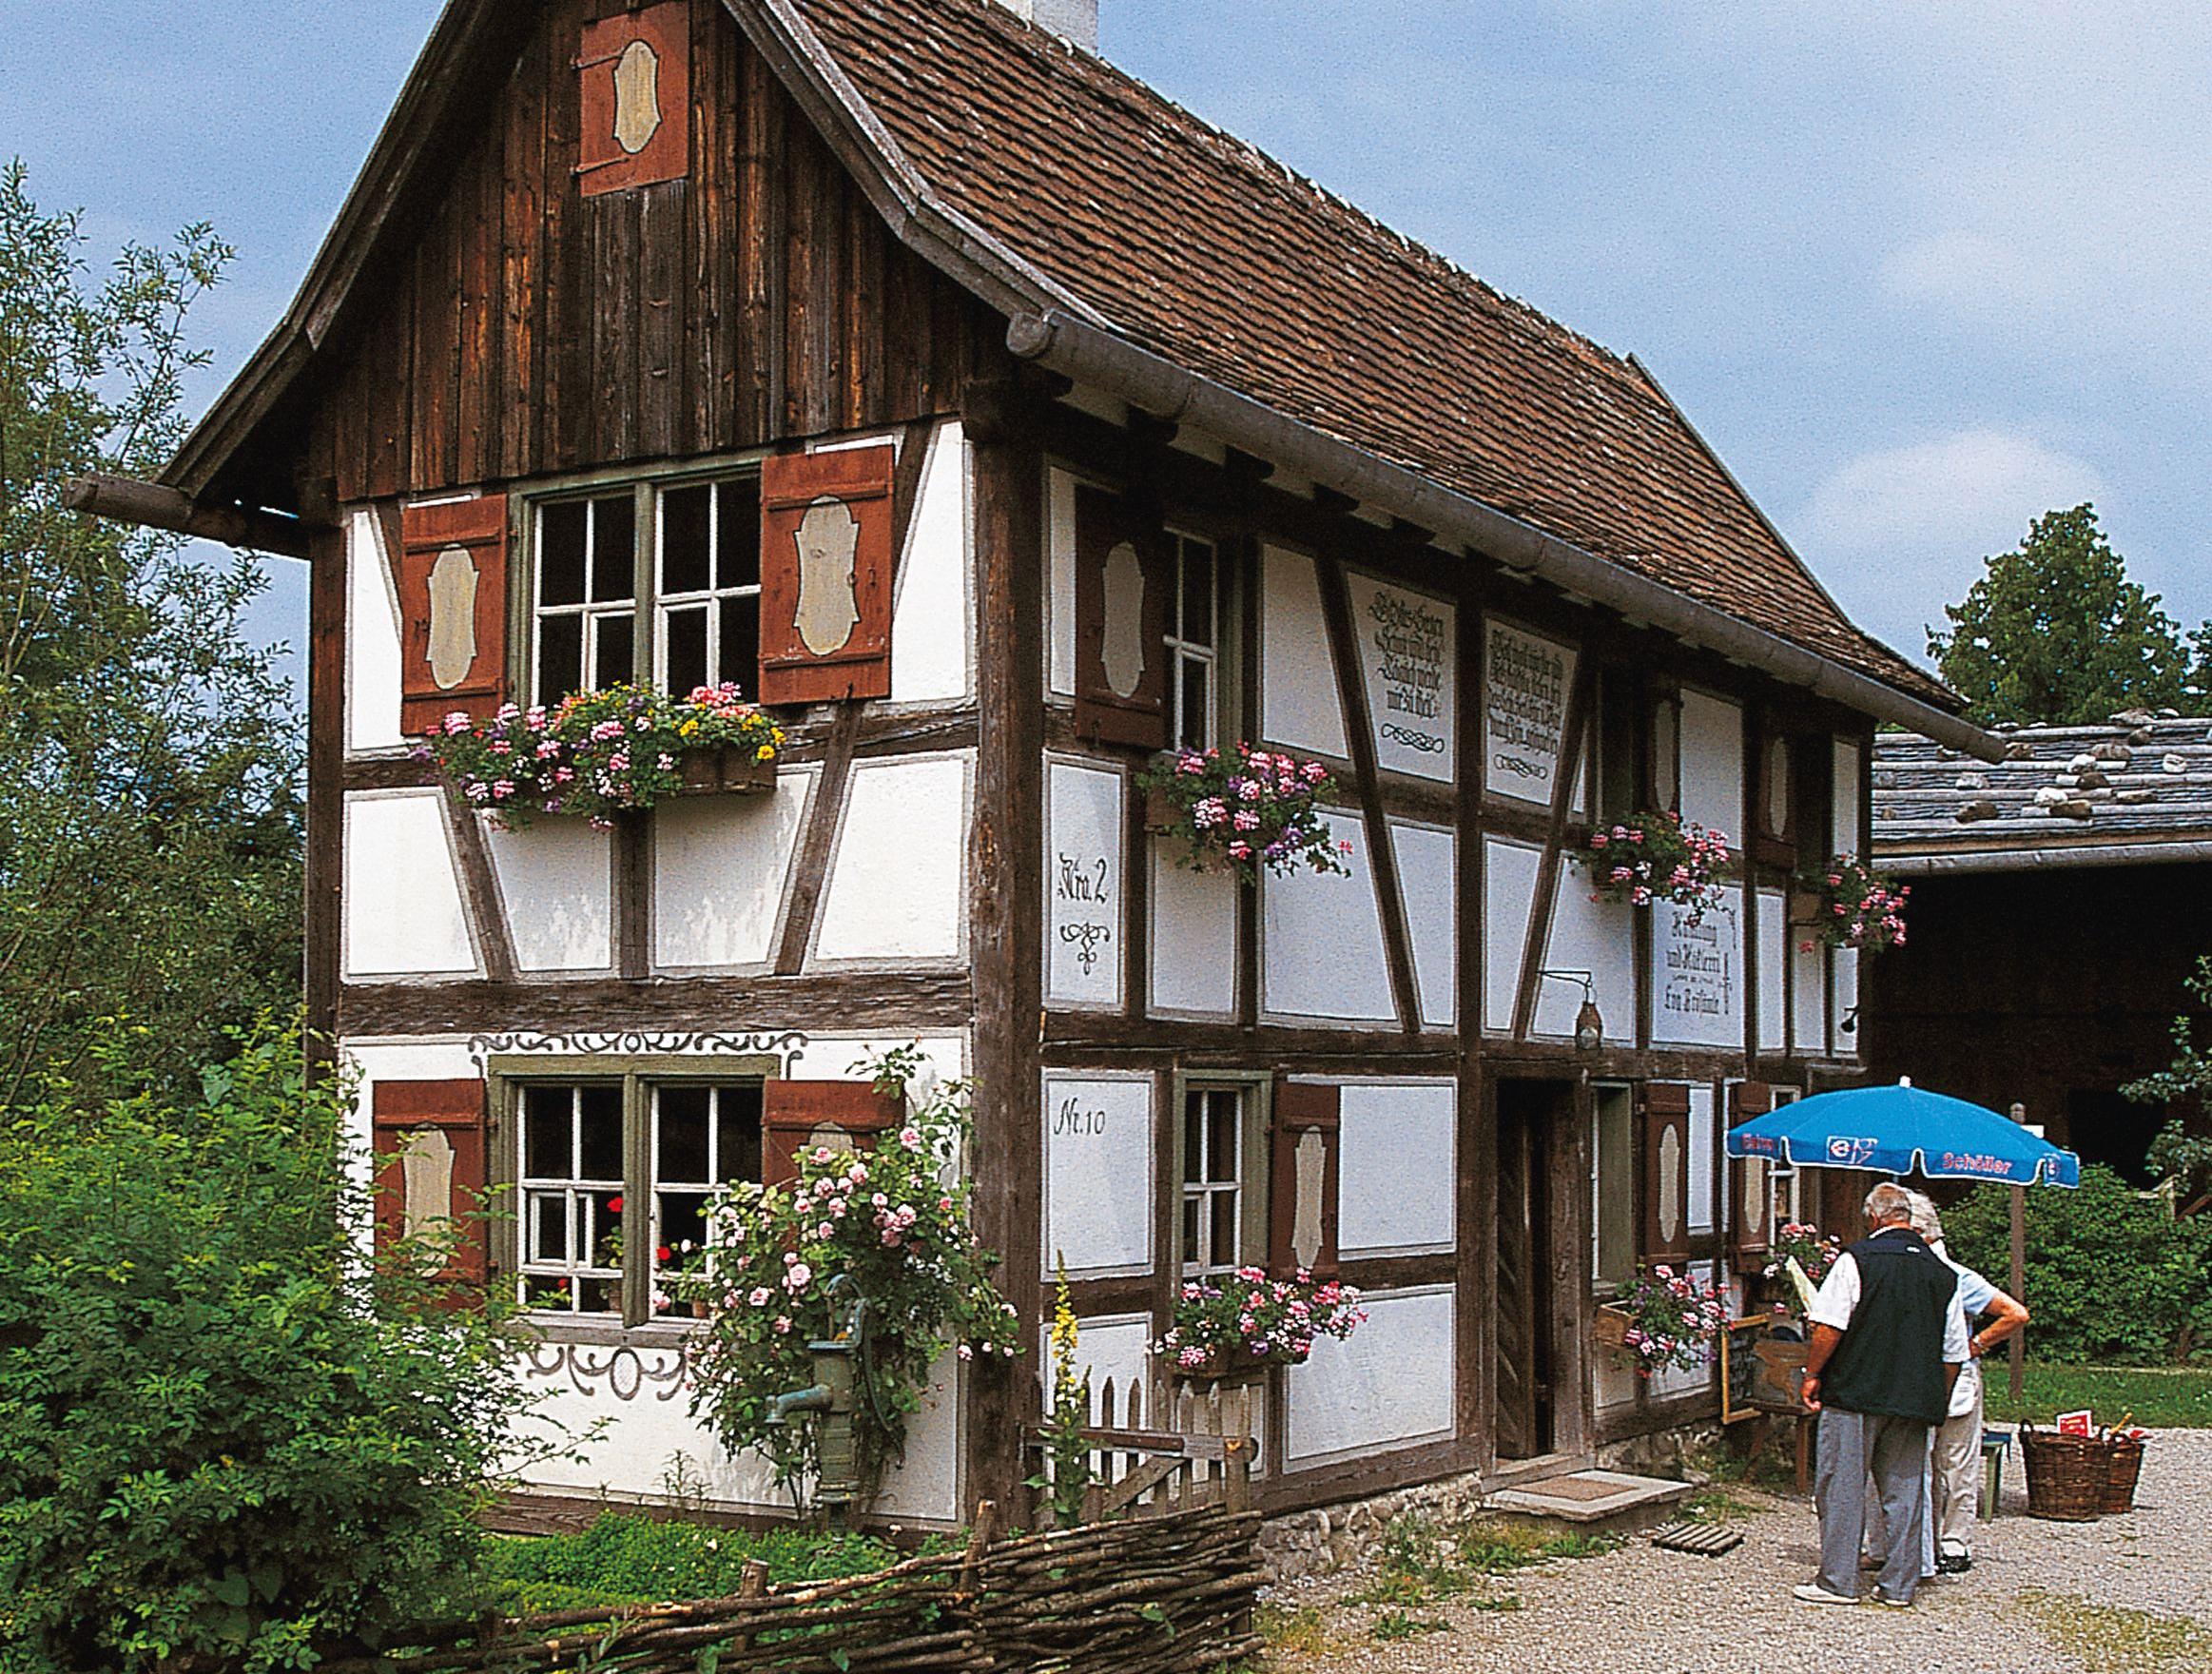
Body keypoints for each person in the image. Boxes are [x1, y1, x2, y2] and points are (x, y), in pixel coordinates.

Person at [1794, 1181, 1969, 1608]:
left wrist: (1813, 1374)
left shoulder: (1857, 1259)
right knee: (1905, 1492)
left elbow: (1829, 1327)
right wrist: (1938, 1398)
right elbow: (1953, 1352)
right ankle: (1899, 1586)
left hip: (1856, 1390)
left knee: (1842, 1486)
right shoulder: (1943, 1273)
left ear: (1873, 1217)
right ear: (1907, 1218)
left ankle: (1838, 1580)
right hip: (1915, 1397)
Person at [1911, 1192, 2029, 1573]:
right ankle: (1922, 1541)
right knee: (1917, 1463)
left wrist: (1974, 1346)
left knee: (1956, 1465)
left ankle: (1955, 1541)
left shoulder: (1958, 1277)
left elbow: (2015, 1313)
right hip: (1919, 1377)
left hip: (1957, 1379)